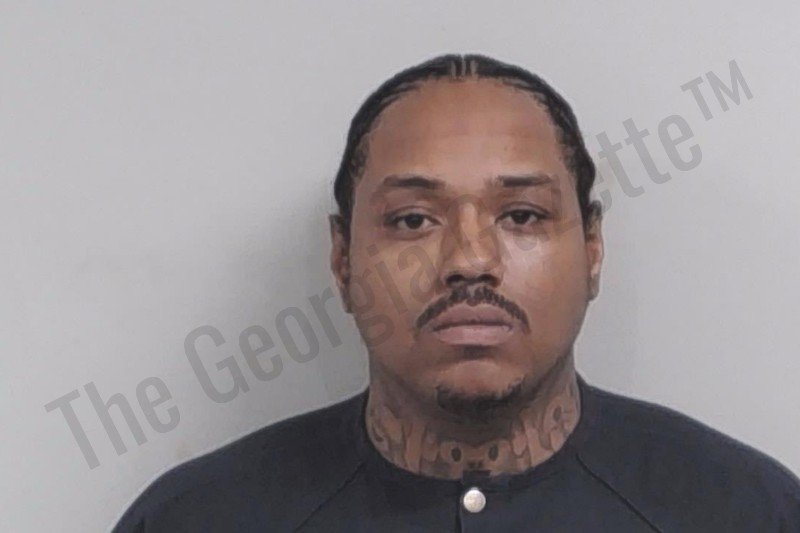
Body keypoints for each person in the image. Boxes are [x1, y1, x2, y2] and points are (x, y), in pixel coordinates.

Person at [112, 54, 800, 532]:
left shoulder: (744, 510)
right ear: (342, 258)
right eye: (414, 221)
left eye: (521, 216)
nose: (470, 260)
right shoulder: (197, 518)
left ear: (593, 248)